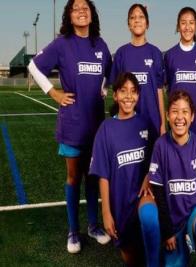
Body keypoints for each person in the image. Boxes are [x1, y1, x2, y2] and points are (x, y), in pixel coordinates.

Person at [27, 0, 112, 253]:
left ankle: (93, 225)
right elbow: (34, 66)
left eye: (85, 8)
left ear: (91, 14)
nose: (81, 11)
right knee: (74, 177)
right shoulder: (62, 44)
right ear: (69, 15)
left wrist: (104, 87)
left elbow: (109, 69)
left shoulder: (100, 44)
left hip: (96, 124)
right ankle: (73, 231)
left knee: (93, 178)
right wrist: (54, 94)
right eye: (76, 8)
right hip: (73, 124)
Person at [148, 90, 196, 267]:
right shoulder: (160, 146)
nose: (179, 117)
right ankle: (183, 243)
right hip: (172, 222)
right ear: (167, 116)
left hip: (194, 213)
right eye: (175, 111)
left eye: (185, 111)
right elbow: (159, 196)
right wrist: (167, 231)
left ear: (192, 116)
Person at [89, 72, 160, 266]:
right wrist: (106, 212)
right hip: (120, 203)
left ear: (138, 95)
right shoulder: (106, 128)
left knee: (151, 236)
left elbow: (159, 158)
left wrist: (148, 174)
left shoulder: (146, 123)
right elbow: (102, 174)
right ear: (115, 95)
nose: (128, 96)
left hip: (143, 198)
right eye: (123, 91)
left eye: (133, 91)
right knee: (131, 256)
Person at [110, 3, 166, 147]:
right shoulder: (121, 53)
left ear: (147, 24)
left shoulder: (155, 53)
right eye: (133, 17)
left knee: (152, 167)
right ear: (128, 24)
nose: (137, 20)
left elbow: (159, 91)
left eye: (141, 17)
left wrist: (162, 124)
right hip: (127, 122)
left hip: (152, 120)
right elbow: (116, 93)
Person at [164, 7, 196, 142]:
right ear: (178, 26)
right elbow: (167, 89)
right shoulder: (170, 55)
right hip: (177, 117)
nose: (187, 27)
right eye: (183, 22)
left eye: (191, 22)